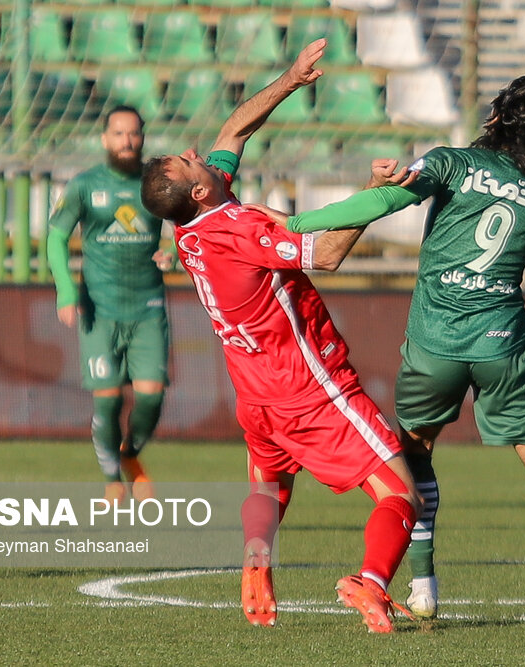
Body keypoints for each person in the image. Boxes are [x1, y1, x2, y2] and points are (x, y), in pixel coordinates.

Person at [259, 70, 525, 630]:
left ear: (499, 120)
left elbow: (385, 200)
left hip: (433, 345)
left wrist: (295, 225)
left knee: (414, 461)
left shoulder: (452, 163)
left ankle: (423, 585)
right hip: (503, 345)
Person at [139, 39, 422, 634]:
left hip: (255, 393)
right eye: (191, 162)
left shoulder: (193, 230)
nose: (197, 152)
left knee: (271, 480)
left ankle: (255, 564)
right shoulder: (241, 228)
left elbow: (234, 130)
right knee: (402, 493)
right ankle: (370, 584)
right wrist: (375, 196)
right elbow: (326, 254)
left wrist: (292, 79)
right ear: (198, 191)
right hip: (310, 387)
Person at [47, 105, 174, 503]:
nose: (127, 141)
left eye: (134, 133)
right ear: (105, 139)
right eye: (118, 134)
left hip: (147, 306)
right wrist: (66, 291)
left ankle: (129, 454)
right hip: (99, 309)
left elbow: (181, 228)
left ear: (143, 137)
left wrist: (171, 250)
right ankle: (112, 477)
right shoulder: (84, 186)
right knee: (109, 398)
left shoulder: (157, 185)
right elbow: (54, 238)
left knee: (151, 396)